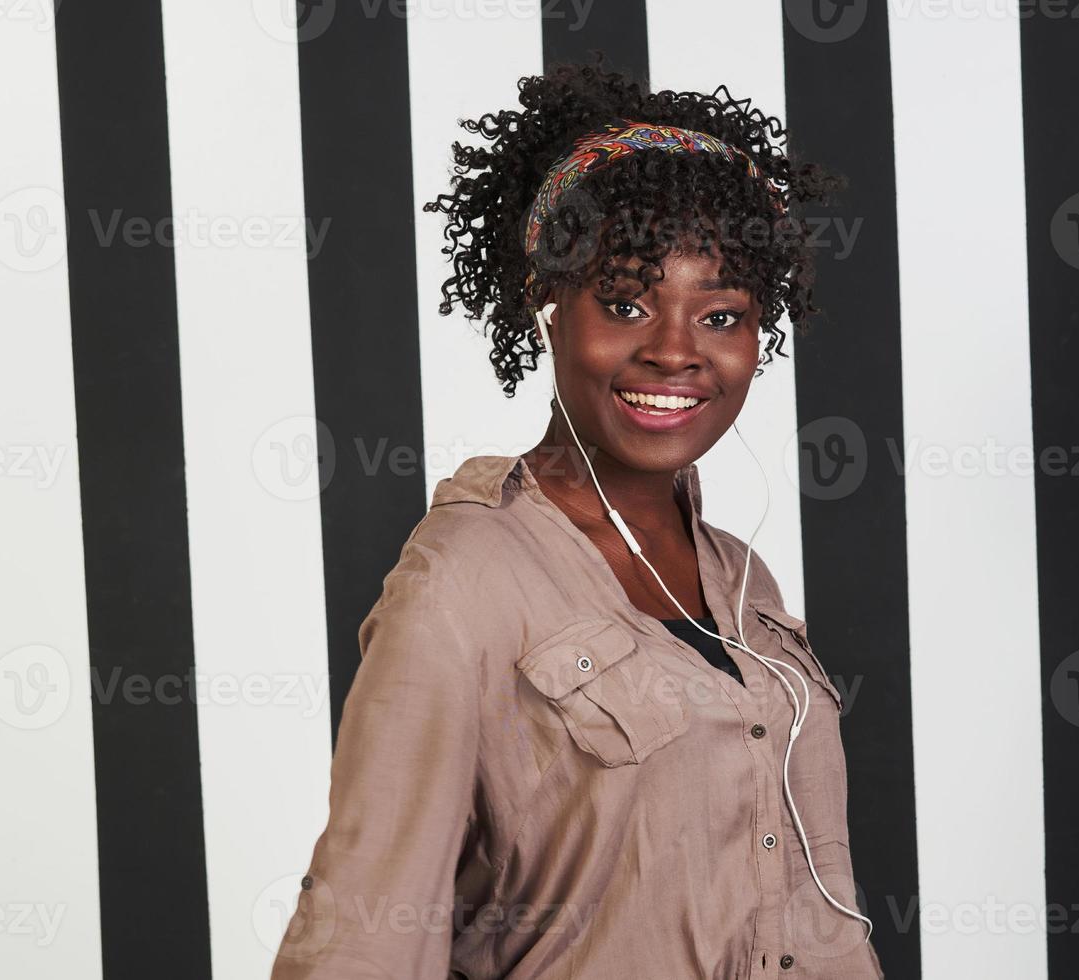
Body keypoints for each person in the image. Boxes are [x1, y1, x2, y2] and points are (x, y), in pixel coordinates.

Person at [270, 59, 884, 980]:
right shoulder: (464, 582)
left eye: (721, 315)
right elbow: (365, 930)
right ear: (546, 304)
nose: (676, 351)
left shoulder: (744, 583)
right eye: (626, 303)